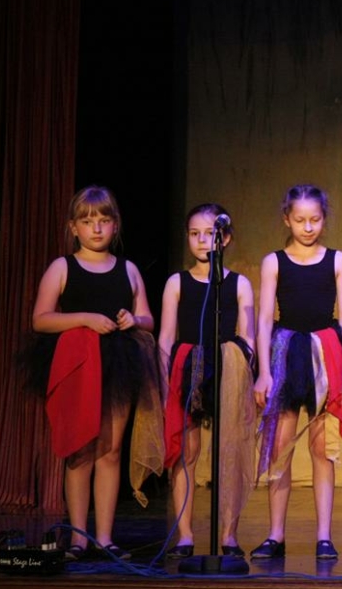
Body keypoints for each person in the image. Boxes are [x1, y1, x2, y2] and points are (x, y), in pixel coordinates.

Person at [26, 185, 163, 561]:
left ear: (115, 225)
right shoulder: (62, 267)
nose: (97, 228)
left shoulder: (128, 269)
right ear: (74, 227)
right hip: (77, 364)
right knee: (80, 449)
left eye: (104, 220)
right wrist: (85, 318)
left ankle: (104, 536)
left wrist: (134, 319)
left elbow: (148, 319)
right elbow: (41, 319)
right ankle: (78, 538)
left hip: (118, 364)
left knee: (111, 450)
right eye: (88, 222)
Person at [251, 184, 342, 560]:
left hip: (324, 353)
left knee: (321, 447)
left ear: (324, 219)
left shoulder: (337, 261)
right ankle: (275, 534)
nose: (308, 227)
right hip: (286, 353)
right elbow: (264, 318)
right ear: (287, 219)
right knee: (280, 446)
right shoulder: (274, 262)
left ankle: (324, 536)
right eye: (300, 220)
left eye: (315, 220)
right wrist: (263, 371)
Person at [158, 204, 257, 559]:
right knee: (188, 451)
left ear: (225, 238)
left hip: (227, 367)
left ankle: (228, 534)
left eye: (210, 234)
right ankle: (185, 534)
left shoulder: (239, 283)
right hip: (189, 367)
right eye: (194, 234)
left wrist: (245, 374)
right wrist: (164, 382)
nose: (202, 240)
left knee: (229, 451)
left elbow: (249, 336)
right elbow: (166, 337)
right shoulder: (177, 282)